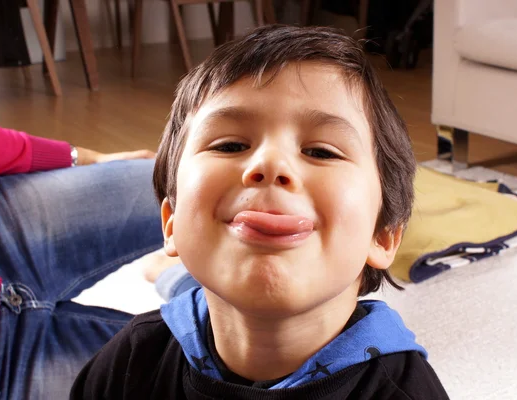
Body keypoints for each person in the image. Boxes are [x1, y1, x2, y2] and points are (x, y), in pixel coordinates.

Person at [71, 25, 449, 399]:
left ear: (382, 236)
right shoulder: (132, 361)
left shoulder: (406, 393)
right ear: (171, 223)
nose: (271, 164)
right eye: (231, 144)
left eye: (321, 152)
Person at [0, 121, 164, 400]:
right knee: (204, 375)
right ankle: (176, 279)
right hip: (2, 377)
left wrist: (81, 158)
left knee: (184, 183)